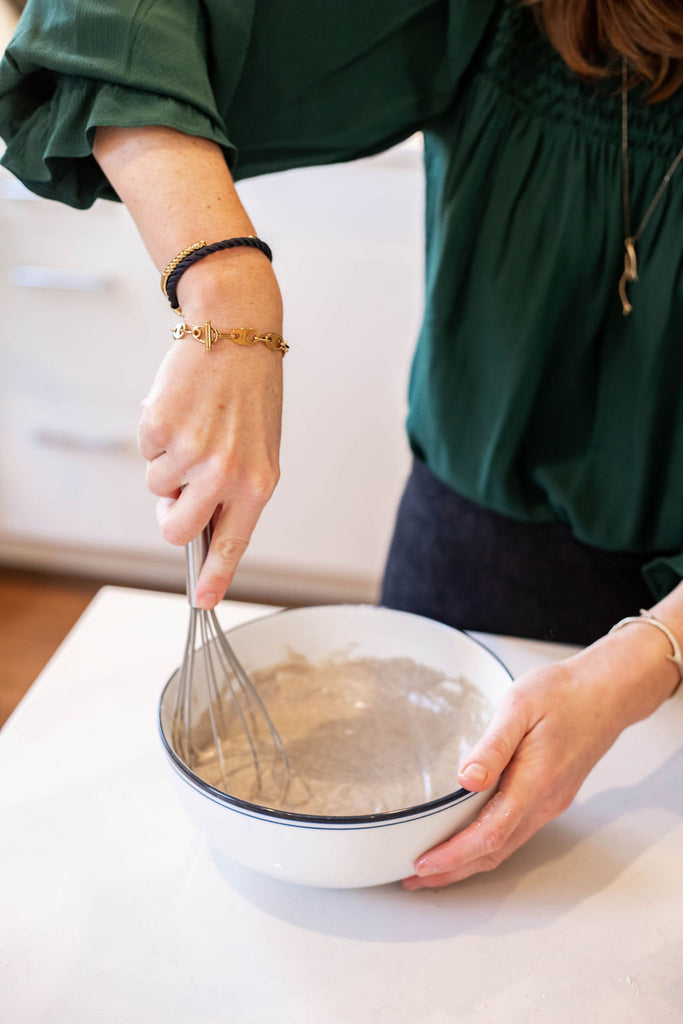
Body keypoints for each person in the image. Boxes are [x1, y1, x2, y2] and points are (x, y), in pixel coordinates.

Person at [0, 0, 681, 890]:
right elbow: (104, 20)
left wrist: (645, 659)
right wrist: (227, 287)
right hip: (478, 534)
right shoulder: (506, 16)